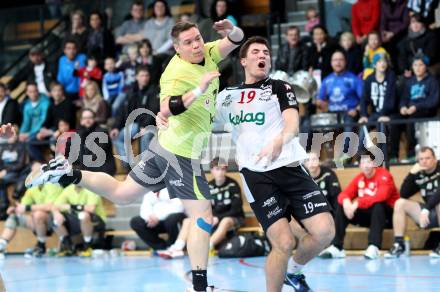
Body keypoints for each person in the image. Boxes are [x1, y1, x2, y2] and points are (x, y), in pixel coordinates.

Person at [27, 19, 244, 292]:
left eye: (197, 38)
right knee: (202, 215)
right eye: (188, 42)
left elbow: (236, 41)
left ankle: (70, 172)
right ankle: (200, 287)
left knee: (122, 193)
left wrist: (232, 31)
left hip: (164, 148)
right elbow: (166, 109)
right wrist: (198, 89)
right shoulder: (175, 73)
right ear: (177, 48)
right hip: (181, 153)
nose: (195, 44)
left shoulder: (209, 52)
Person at [212, 37, 334, 292]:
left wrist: (279, 140)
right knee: (284, 243)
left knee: (325, 232)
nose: (262, 56)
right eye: (256, 52)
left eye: (266, 52)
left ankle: (294, 272)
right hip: (256, 176)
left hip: (289, 168)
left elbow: (292, 123)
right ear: (243, 61)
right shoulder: (225, 97)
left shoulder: (280, 87)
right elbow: (200, 123)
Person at [320, 152, 399, 260]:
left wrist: (357, 203)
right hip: (370, 218)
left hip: (389, 218)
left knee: (378, 205)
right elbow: (344, 194)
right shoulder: (360, 178)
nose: (366, 165)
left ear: (374, 163)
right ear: (360, 165)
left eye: (368, 162)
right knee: (342, 205)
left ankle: (374, 246)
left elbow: (382, 196)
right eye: (363, 162)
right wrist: (347, 202)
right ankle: (337, 246)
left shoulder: (384, 175)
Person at [385, 147, 440, 258]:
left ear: (435, 159)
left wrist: (426, 209)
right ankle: (399, 244)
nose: (424, 161)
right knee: (400, 203)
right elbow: (403, 194)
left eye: (428, 158)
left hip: (431, 209)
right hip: (429, 214)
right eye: (421, 159)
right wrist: (411, 174)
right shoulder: (419, 174)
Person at [0, 165, 63, 258]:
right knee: (14, 216)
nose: (34, 174)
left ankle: (41, 246)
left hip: (55, 222)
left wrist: (27, 208)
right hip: (38, 222)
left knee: (38, 214)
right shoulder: (33, 187)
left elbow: (50, 206)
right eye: (33, 172)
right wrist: (15, 209)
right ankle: (2, 245)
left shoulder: (52, 184)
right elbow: (23, 205)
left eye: (37, 171)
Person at [109, 66, 159, 170]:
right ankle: (128, 163)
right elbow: (122, 111)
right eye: (142, 75)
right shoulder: (131, 91)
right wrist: (116, 127)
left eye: (147, 75)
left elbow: (153, 110)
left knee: (146, 136)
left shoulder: (154, 90)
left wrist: (144, 126)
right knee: (116, 137)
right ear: (136, 77)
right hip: (135, 125)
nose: (145, 78)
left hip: (151, 125)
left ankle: (146, 167)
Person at [316, 50, 363, 157]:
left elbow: (364, 99)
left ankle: (346, 156)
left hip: (349, 113)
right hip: (332, 114)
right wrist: (320, 102)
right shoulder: (327, 80)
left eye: (340, 60)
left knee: (348, 124)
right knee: (318, 123)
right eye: (335, 60)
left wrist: (356, 109)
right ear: (331, 63)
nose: (338, 63)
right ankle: (327, 158)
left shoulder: (353, 79)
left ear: (345, 62)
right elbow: (319, 99)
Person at [399, 54, 439, 161]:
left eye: (420, 65)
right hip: (411, 110)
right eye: (415, 65)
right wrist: (403, 107)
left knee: (412, 121)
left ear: (425, 66)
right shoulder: (409, 82)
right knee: (394, 120)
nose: (417, 68)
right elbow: (404, 98)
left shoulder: (432, 81)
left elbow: (434, 101)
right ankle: (393, 155)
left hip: (426, 111)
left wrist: (416, 107)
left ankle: (412, 154)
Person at [359, 53, 398, 159]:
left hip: (391, 113)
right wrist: (363, 115)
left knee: (383, 125)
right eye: (379, 62)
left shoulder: (391, 77)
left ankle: (385, 157)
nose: (383, 64)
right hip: (376, 114)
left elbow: (391, 100)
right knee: (363, 126)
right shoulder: (369, 79)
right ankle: (361, 156)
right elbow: (364, 100)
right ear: (374, 65)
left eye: (384, 61)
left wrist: (384, 114)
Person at [52, 184, 106, 257]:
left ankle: (87, 245)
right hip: (78, 219)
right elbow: (55, 206)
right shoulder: (69, 189)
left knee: (84, 215)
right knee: (55, 218)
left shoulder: (91, 188)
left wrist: (70, 206)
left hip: (97, 220)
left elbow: (91, 209)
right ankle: (68, 246)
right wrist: (56, 213)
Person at [207, 157, 244, 251]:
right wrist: (211, 217)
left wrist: (218, 218)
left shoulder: (233, 184)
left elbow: (236, 209)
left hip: (235, 218)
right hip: (215, 219)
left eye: (223, 169)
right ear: (211, 170)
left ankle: (207, 247)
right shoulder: (209, 186)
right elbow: (207, 208)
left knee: (225, 221)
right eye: (217, 169)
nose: (220, 172)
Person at [70, 109, 115, 176]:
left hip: (103, 170)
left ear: (94, 119)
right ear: (81, 121)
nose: (87, 120)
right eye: (85, 118)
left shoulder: (102, 133)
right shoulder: (81, 133)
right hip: (89, 170)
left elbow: (95, 157)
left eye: (90, 118)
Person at [19, 83, 51, 162]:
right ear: (27, 93)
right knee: (17, 141)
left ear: (38, 91)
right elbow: (26, 122)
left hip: (44, 130)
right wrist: (21, 133)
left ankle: (44, 163)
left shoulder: (45, 103)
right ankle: (27, 167)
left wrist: (28, 134)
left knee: (29, 142)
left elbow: (43, 121)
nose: (33, 94)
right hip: (31, 133)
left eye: (35, 91)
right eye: (30, 92)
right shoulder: (27, 106)